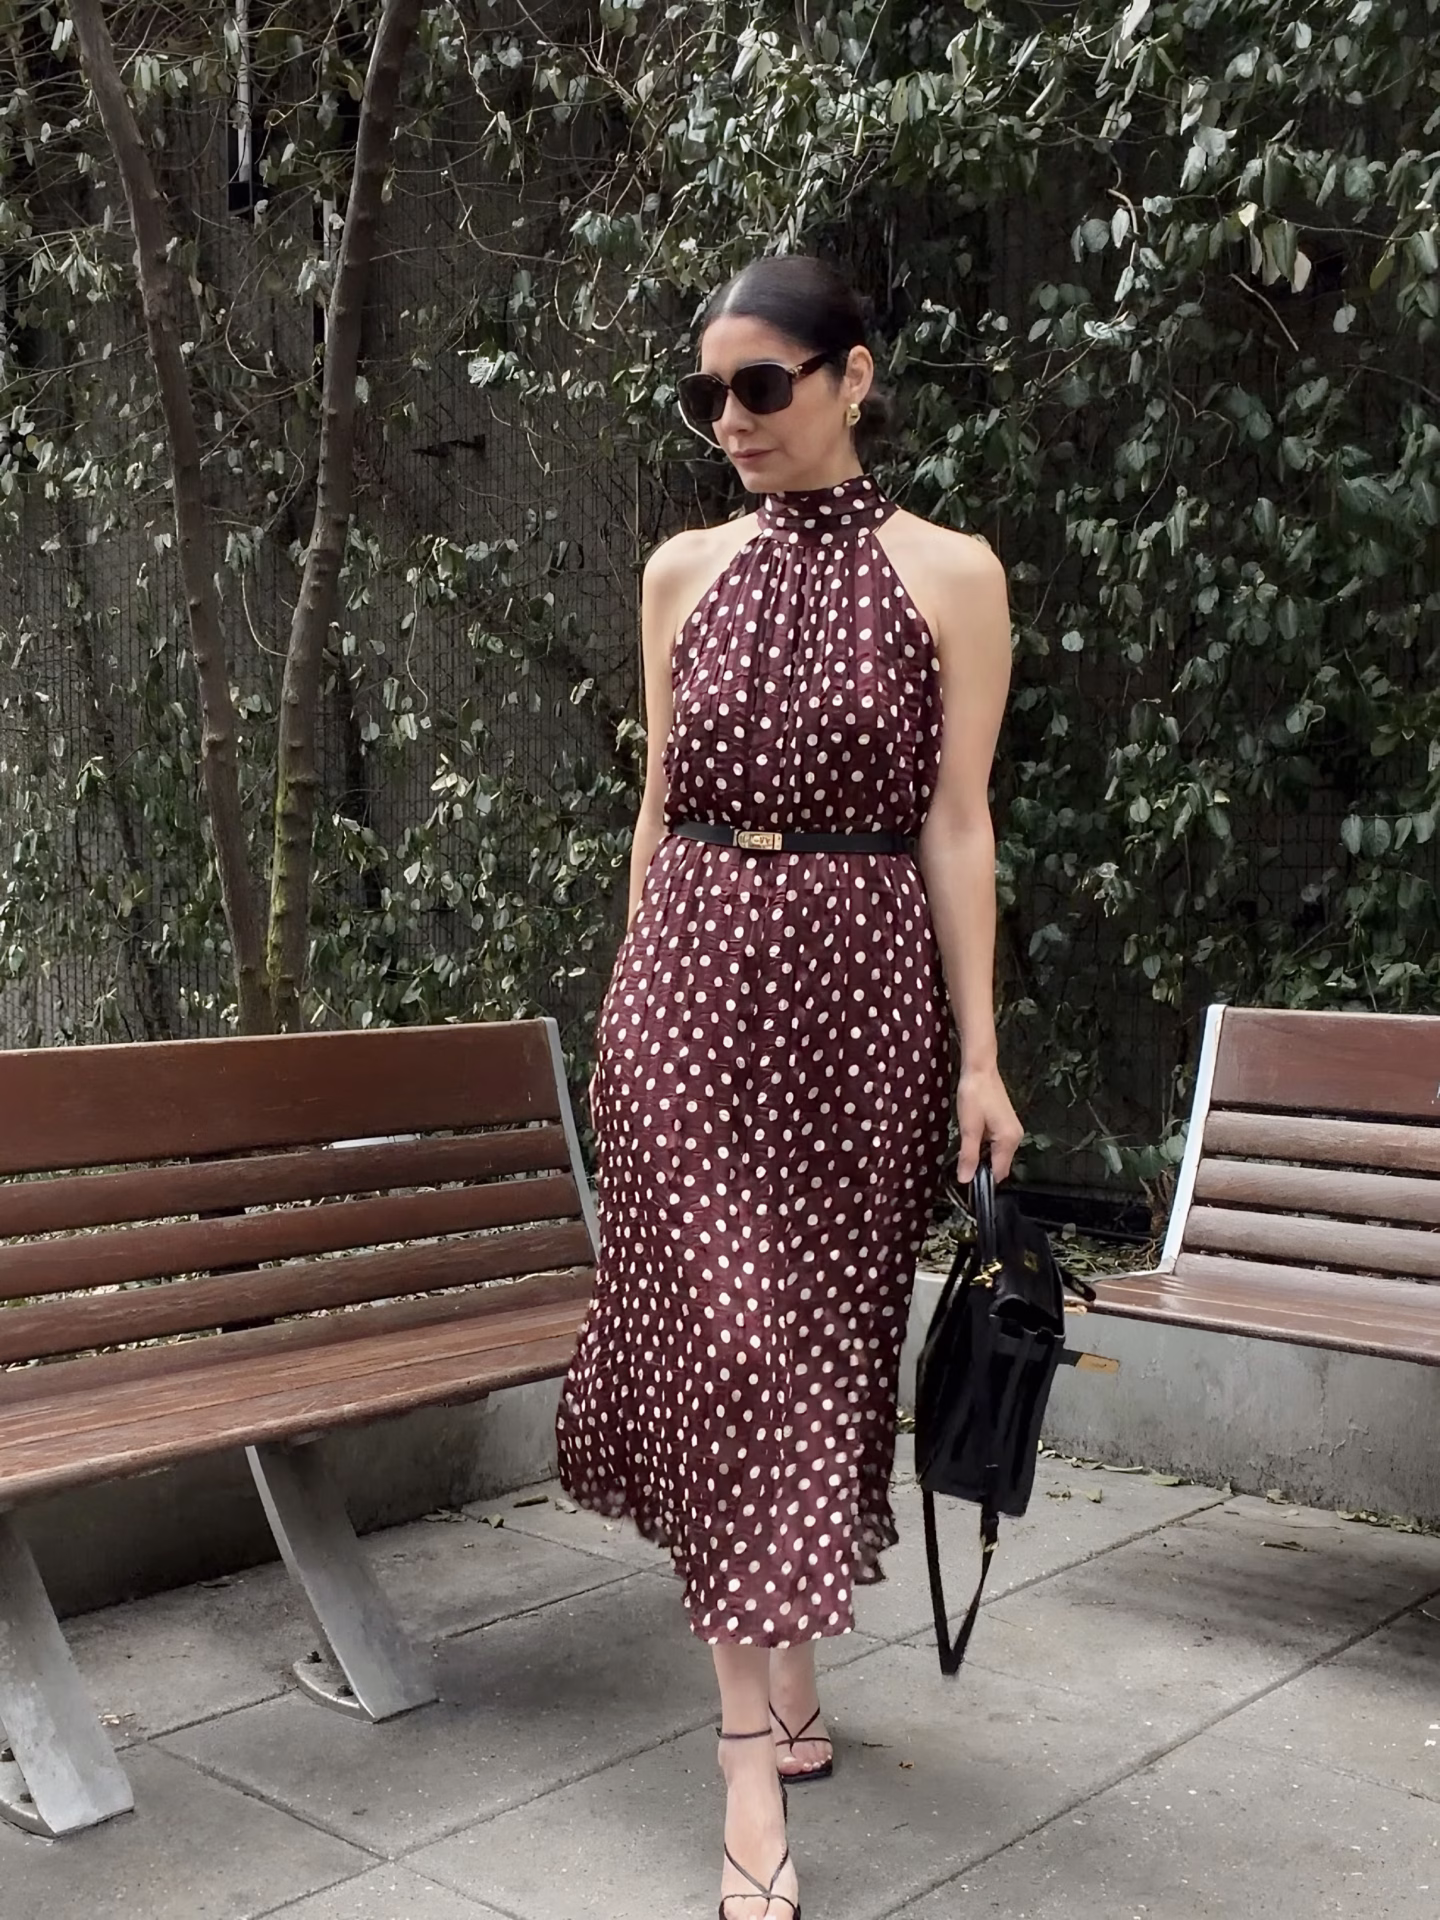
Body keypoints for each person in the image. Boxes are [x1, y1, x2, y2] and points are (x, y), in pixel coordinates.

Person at [556, 254, 1022, 1920]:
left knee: (810, 1357)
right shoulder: (684, 571)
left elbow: (957, 824)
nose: (730, 422)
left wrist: (979, 1057)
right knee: (728, 1349)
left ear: (852, 377)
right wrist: (625, 991)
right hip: (684, 985)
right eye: (708, 397)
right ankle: (749, 1762)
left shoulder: (952, 575)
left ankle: (791, 1690)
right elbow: (656, 804)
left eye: (762, 386)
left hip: (858, 994)